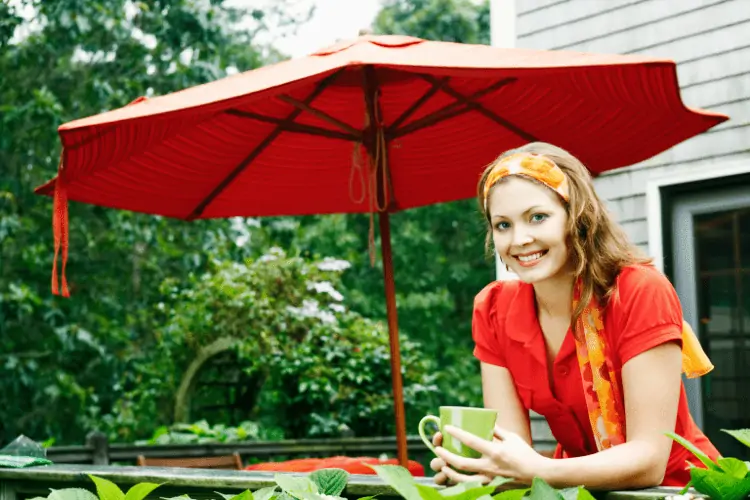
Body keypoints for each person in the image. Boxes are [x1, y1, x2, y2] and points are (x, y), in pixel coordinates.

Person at [429, 142, 719, 490]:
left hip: (680, 490)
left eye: (538, 217)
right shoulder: (492, 310)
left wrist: (538, 471)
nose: (520, 239)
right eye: (503, 225)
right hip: (576, 491)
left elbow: (649, 461)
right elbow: (513, 453)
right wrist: (479, 464)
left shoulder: (638, 291)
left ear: (576, 216)